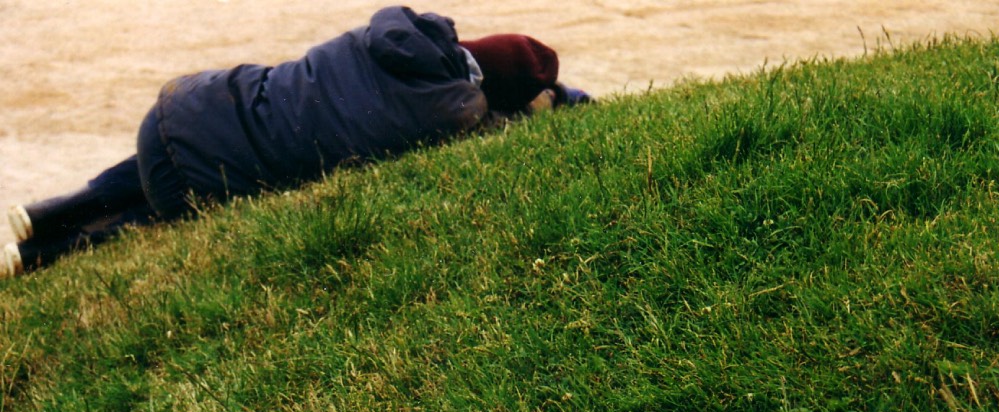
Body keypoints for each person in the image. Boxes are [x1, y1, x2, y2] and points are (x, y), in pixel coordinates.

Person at [2, 6, 591, 278]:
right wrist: (562, 99)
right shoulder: (457, 114)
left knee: (195, 141)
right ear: (504, 95)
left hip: (185, 107)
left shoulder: (398, 28)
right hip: (195, 184)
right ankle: (38, 259)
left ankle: (45, 213)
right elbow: (502, 114)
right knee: (168, 205)